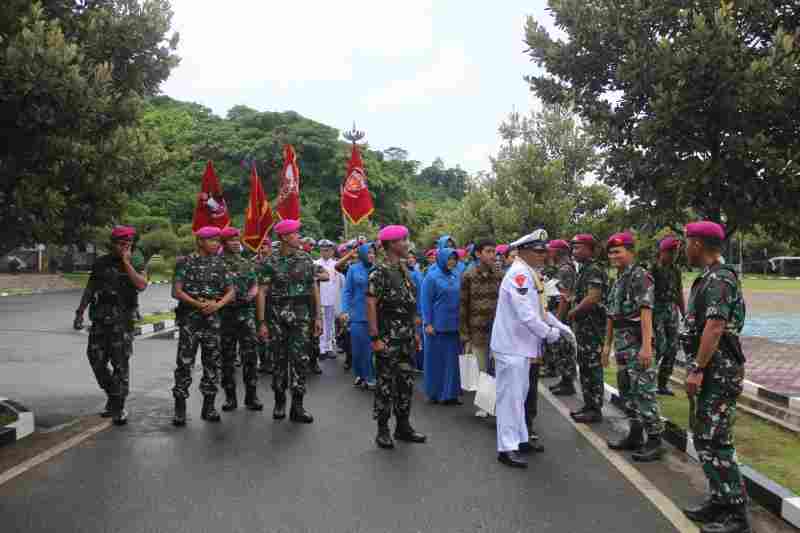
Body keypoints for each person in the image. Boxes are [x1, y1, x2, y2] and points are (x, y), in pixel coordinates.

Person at [681, 222, 750, 533]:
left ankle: (737, 514)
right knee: (705, 438)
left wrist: (696, 368)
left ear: (698, 243)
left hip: (718, 373)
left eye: (687, 242)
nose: (684, 247)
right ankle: (719, 501)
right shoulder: (707, 278)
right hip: (710, 371)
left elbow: (715, 327)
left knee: (718, 441)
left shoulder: (720, 279)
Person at [491, 229, 570, 468]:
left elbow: (540, 311)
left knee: (520, 396)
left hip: (522, 347)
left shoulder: (529, 273)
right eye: (538, 251)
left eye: (544, 251)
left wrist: (560, 326)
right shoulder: (519, 275)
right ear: (523, 251)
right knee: (510, 399)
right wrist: (549, 334)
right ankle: (506, 448)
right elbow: (526, 315)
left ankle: (520, 439)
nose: (543, 255)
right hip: (512, 347)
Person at [74, 226, 148, 425]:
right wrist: (80, 312)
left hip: (122, 322)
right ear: (113, 244)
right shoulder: (101, 263)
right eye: (121, 244)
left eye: (128, 244)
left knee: (120, 365)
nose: (125, 247)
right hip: (100, 320)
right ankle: (114, 395)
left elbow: (141, 285)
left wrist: (126, 262)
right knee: (95, 359)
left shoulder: (136, 261)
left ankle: (119, 407)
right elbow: (90, 288)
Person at [604, 232, 664, 462]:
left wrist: (647, 347)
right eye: (610, 252)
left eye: (617, 251)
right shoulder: (619, 279)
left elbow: (645, 312)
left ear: (630, 252)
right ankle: (636, 435)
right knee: (628, 392)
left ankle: (656, 440)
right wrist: (606, 345)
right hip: (622, 345)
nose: (613, 256)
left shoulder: (641, 276)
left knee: (644, 392)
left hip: (638, 343)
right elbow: (611, 314)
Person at [367, 225, 426, 449]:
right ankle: (383, 429)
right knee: (385, 384)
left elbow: (409, 306)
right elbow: (371, 303)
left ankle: (403, 426)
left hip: (406, 338)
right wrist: (375, 337)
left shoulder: (404, 270)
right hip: (387, 339)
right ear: (391, 244)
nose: (406, 244)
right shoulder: (379, 272)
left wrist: (415, 333)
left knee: (406, 382)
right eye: (403, 240)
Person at [256, 219, 321, 423]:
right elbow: (262, 292)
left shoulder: (307, 259)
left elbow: (313, 289)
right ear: (284, 237)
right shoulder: (269, 262)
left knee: (300, 359)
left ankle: (298, 406)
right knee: (278, 360)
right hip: (277, 315)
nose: (298, 237)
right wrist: (262, 322)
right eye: (295, 234)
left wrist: (317, 317)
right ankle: (279, 401)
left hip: (301, 315)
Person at [171, 226, 235, 426]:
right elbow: (177, 291)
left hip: (212, 321)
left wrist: (217, 304)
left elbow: (231, 291)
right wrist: (199, 304)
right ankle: (180, 408)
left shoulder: (221, 264)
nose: (217, 244)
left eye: (218, 240)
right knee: (184, 363)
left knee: (212, 363)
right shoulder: (185, 262)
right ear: (200, 242)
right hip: (190, 320)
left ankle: (209, 406)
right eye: (212, 240)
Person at [219, 227, 262, 412]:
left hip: (246, 315)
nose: (236, 243)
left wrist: (251, 295)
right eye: (231, 240)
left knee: (250, 357)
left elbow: (255, 285)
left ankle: (251, 397)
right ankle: (230, 398)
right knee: (227, 358)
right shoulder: (217, 264)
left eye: (238, 239)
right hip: (225, 316)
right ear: (224, 243)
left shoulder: (247, 263)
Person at [458, 239, 503, 417]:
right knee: (482, 369)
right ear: (478, 254)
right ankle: (485, 406)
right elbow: (463, 306)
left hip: (498, 331)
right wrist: (464, 334)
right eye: (489, 251)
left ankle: (500, 404)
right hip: (477, 331)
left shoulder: (500, 275)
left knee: (498, 368)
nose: (493, 255)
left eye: (494, 251)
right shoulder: (468, 275)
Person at [568, 234, 608, 424]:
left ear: (591, 250)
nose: (575, 251)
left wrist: (573, 312)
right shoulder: (583, 270)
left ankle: (595, 408)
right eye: (574, 248)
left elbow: (593, 297)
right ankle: (589, 404)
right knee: (584, 366)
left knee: (592, 368)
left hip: (593, 328)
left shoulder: (594, 270)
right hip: (584, 328)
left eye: (579, 248)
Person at [421, 246, 462, 405]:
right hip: (436, 327)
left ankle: (451, 394)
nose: (452, 262)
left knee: (452, 362)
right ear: (442, 259)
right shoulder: (431, 277)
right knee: (436, 361)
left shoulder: (456, 275)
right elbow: (425, 302)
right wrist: (428, 323)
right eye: (449, 258)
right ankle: (436, 393)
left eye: (454, 259)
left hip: (454, 326)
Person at [652, 236, 686, 395]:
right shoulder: (652, 269)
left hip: (671, 311)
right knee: (659, 346)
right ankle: (648, 381)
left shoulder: (675, 270)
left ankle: (662, 384)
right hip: (656, 311)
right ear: (662, 251)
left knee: (672, 348)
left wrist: (684, 313)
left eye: (676, 252)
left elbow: (679, 293)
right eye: (671, 252)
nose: (674, 255)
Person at [342, 242, 377, 390]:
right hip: (357, 314)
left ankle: (371, 377)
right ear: (362, 254)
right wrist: (345, 310)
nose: (371, 255)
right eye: (368, 252)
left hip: (375, 314)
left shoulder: (379, 269)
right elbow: (347, 291)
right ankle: (360, 374)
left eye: (373, 253)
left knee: (371, 348)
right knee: (357, 349)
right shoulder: (353, 269)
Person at [547, 239, 578, 396]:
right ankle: (564, 381)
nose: (548, 253)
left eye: (551, 250)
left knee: (565, 349)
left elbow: (564, 298)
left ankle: (568, 383)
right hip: (559, 314)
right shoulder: (561, 268)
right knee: (561, 350)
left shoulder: (565, 269)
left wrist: (557, 321)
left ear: (558, 251)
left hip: (563, 316)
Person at [315, 240, 342, 360]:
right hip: (320, 298)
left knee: (330, 324)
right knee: (321, 324)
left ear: (332, 251)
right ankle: (321, 349)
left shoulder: (336, 264)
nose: (326, 252)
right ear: (320, 251)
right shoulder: (315, 263)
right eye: (323, 250)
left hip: (331, 297)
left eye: (328, 250)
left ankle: (329, 347)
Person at [254, 241, 274, 375]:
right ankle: (263, 361)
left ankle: (272, 361)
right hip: (258, 302)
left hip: (274, 302)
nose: (262, 248)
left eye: (264, 246)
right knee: (260, 333)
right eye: (260, 246)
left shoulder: (275, 262)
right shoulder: (253, 263)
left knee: (273, 334)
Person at [407, 250, 425, 371]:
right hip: (411, 310)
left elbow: (421, 294)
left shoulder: (417, 273)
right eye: (408, 258)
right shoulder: (409, 273)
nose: (411, 259)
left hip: (419, 309)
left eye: (413, 257)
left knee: (418, 337)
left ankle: (419, 364)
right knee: (414, 337)